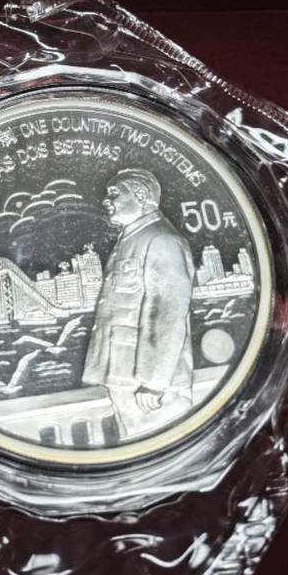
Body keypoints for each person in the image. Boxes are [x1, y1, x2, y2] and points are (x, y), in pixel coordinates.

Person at [82, 168, 195, 438]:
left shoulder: (162, 240)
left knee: (163, 449)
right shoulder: (133, 238)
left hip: (150, 387)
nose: (107, 201)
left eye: (114, 193)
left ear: (141, 195)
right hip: (123, 375)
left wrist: (154, 382)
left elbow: (166, 313)